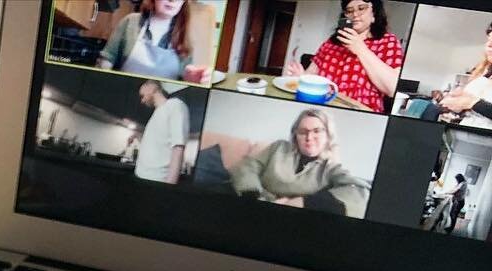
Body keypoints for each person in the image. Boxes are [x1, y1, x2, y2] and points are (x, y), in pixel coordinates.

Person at [229, 107, 370, 217]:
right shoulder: (279, 147)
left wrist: (300, 203)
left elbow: (359, 191)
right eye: (303, 131)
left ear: (328, 135)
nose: (309, 137)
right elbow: (247, 167)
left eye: (317, 131)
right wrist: (254, 198)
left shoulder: (330, 167)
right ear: (295, 136)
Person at [294, 0, 405, 114]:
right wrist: (301, 78)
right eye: (349, 11)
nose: (355, 14)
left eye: (361, 8)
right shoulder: (331, 43)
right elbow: (312, 74)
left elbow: (392, 89)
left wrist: (360, 49)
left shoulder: (388, 41)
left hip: (360, 114)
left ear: (374, 13)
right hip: (321, 109)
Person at [98, 0, 209, 82]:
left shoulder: (184, 40)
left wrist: (191, 80)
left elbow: (183, 82)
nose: (173, 0)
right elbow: (105, 62)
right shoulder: (130, 22)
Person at [429, 21, 492, 130]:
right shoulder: (485, 72)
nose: (488, 45)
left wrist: (472, 102)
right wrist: (456, 104)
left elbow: (475, 104)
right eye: (489, 39)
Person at [134, 80, 190, 183]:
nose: (142, 101)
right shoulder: (156, 113)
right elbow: (156, 146)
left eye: (142, 96)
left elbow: (178, 147)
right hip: (141, 176)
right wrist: (138, 136)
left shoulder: (175, 105)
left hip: (156, 179)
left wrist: (168, 187)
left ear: (151, 87)